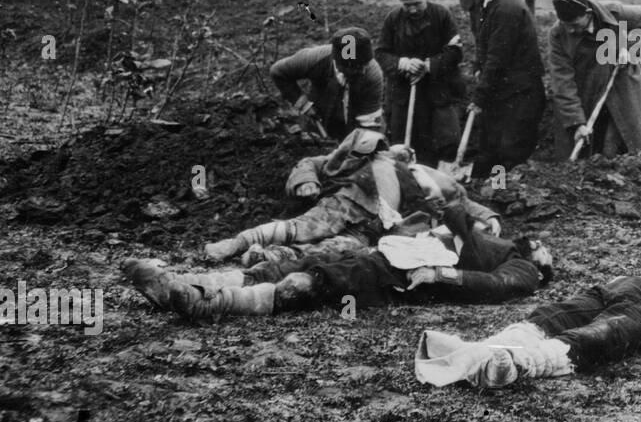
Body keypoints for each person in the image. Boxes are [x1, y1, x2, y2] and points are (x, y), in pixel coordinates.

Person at [414, 183, 641, 390]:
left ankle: (514, 365)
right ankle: (478, 353)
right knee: (552, 315)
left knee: (603, 334)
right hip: (632, 285)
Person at [123, 202, 553, 322]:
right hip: (387, 251)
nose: (545, 248)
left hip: (398, 274)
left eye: (548, 255)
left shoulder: (522, 266)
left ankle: (210, 302)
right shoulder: (487, 234)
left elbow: (499, 288)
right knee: (286, 266)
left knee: (308, 284)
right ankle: (178, 284)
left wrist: (442, 273)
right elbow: (457, 206)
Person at [202, 129, 499, 262]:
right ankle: (234, 244)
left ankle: (268, 257)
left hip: (380, 229)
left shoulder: (428, 176)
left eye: (409, 152)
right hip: (349, 201)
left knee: (339, 250)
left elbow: (462, 200)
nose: (406, 151)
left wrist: (487, 217)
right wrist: (306, 182)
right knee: (300, 228)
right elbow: (312, 164)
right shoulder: (366, 156)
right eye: (399, 148)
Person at [548, 0, 641, 158]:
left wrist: (630, 48)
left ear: (587, 14)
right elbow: (562, 81)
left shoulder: (614, 13)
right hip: (587, 92)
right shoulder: (557, 34)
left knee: (632, 148)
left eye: (574, 25)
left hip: (622, 88)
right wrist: (576, 123)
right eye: (566, 25)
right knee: (586, 154)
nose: (570, 30)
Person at [463, 0, 547, 176]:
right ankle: (480, 190)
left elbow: (497, 57)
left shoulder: (507, 8)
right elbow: (483, 40)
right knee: (489, 144)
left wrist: (479, 97)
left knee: (507, 149)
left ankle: (501, 194)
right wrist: (477, 66)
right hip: (502, 86)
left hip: (521, 91)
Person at [375, 0, 464, 164]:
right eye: (407, 5)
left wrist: (428, 65)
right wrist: (403, 63)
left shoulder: (442, 15)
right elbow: (382, 53)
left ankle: (439, 180)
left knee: (445, 141)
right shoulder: (393, 19)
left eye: (417, 3)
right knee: (401, 144)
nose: (412, 9)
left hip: (437, 90)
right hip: (403, 92)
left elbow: (455, 51)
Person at [269, 26, 384, 140]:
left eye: (365, 64)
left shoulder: (372, 74)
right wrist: (303, 104)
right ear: (339, 64)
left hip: (354, 122)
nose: (363, 70)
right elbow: (278, 72)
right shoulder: (315, 59)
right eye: (357, 67)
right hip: (319, 117)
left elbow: (369, 122)